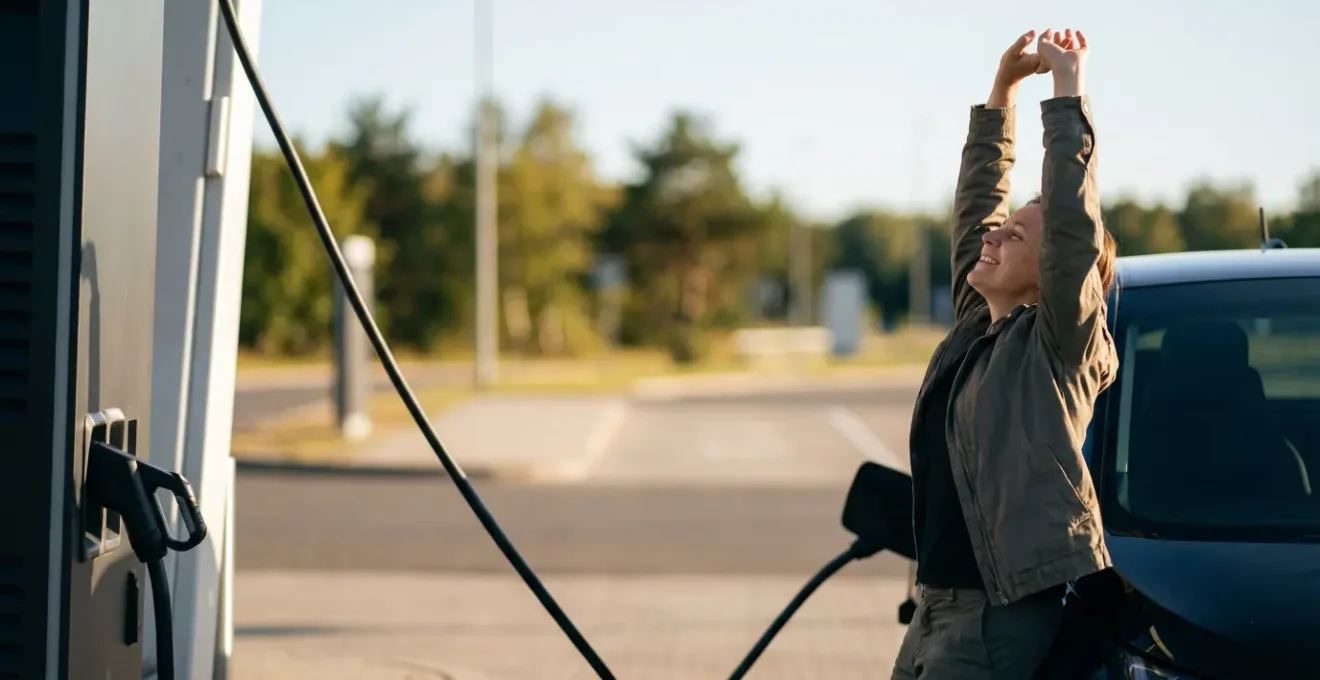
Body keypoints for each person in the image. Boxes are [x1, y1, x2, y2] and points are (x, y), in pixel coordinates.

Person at [890, 28, 1120, 680]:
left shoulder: (1059, 347)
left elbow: (1074, 226)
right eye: (1003, 226)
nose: (995, 234)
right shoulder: (974, 332)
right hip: (939, 607)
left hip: (996, 614)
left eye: (1016, 234)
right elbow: (976, 208)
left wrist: (1068, 92)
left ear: (1051, 272)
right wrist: (1002, 91)